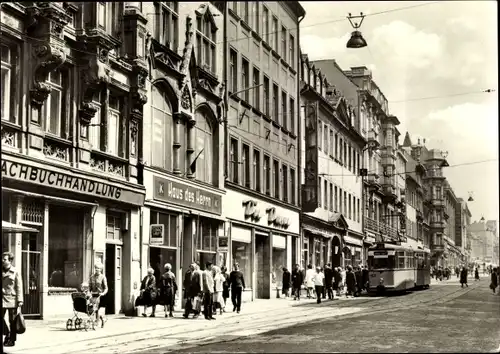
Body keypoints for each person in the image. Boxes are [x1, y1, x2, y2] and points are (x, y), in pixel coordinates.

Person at [2, 252, 23, 347]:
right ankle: (7, 333)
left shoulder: (15, 271)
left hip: (12, 299)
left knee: (13, 321)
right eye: (2, 259)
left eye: (5, 259)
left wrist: (20, 300)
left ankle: (12, 340)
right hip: (2, 298)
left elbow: (19, 287)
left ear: (10, 260)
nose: (2, 260)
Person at [88, 262, 108, 328]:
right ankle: (100, 320)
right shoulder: (92, 277)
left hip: (101, 296)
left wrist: (103, 293)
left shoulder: (103, 277)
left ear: (101, 269)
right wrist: (88, 292)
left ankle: (99, 321)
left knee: (98, 311)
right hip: (93, 295)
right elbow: (89, 287)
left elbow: (106, 288)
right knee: (93, 310)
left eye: (98, 268)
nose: (97, 270)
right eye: (96, 268)